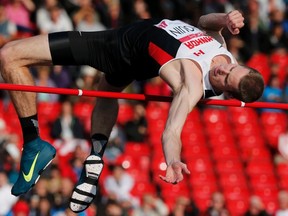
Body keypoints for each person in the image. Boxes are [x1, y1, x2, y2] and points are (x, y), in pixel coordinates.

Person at [0, 10, 264, 213]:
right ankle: (96, 154)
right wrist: (226, 18)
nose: (222, 69)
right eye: (231, 68)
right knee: (108, 91)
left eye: (225, 78)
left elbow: (171, 131)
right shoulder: (224, 54)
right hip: (137, 51)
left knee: (10, 55)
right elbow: (205, 23)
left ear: (226, 92)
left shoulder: (192, 85)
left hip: (114, 47)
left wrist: (172, 160)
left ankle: (34, 144)